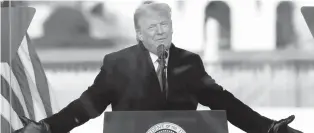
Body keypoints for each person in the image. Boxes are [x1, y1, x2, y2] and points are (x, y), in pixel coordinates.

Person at [15, 1, 302, 133]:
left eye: (165, 24)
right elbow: (86, 106)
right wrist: (47, 128)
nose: (160, 31)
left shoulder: (189, 62)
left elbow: (225, 102)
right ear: (138, 33)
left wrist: (269, 129)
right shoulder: (117, 63)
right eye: (152, 27)